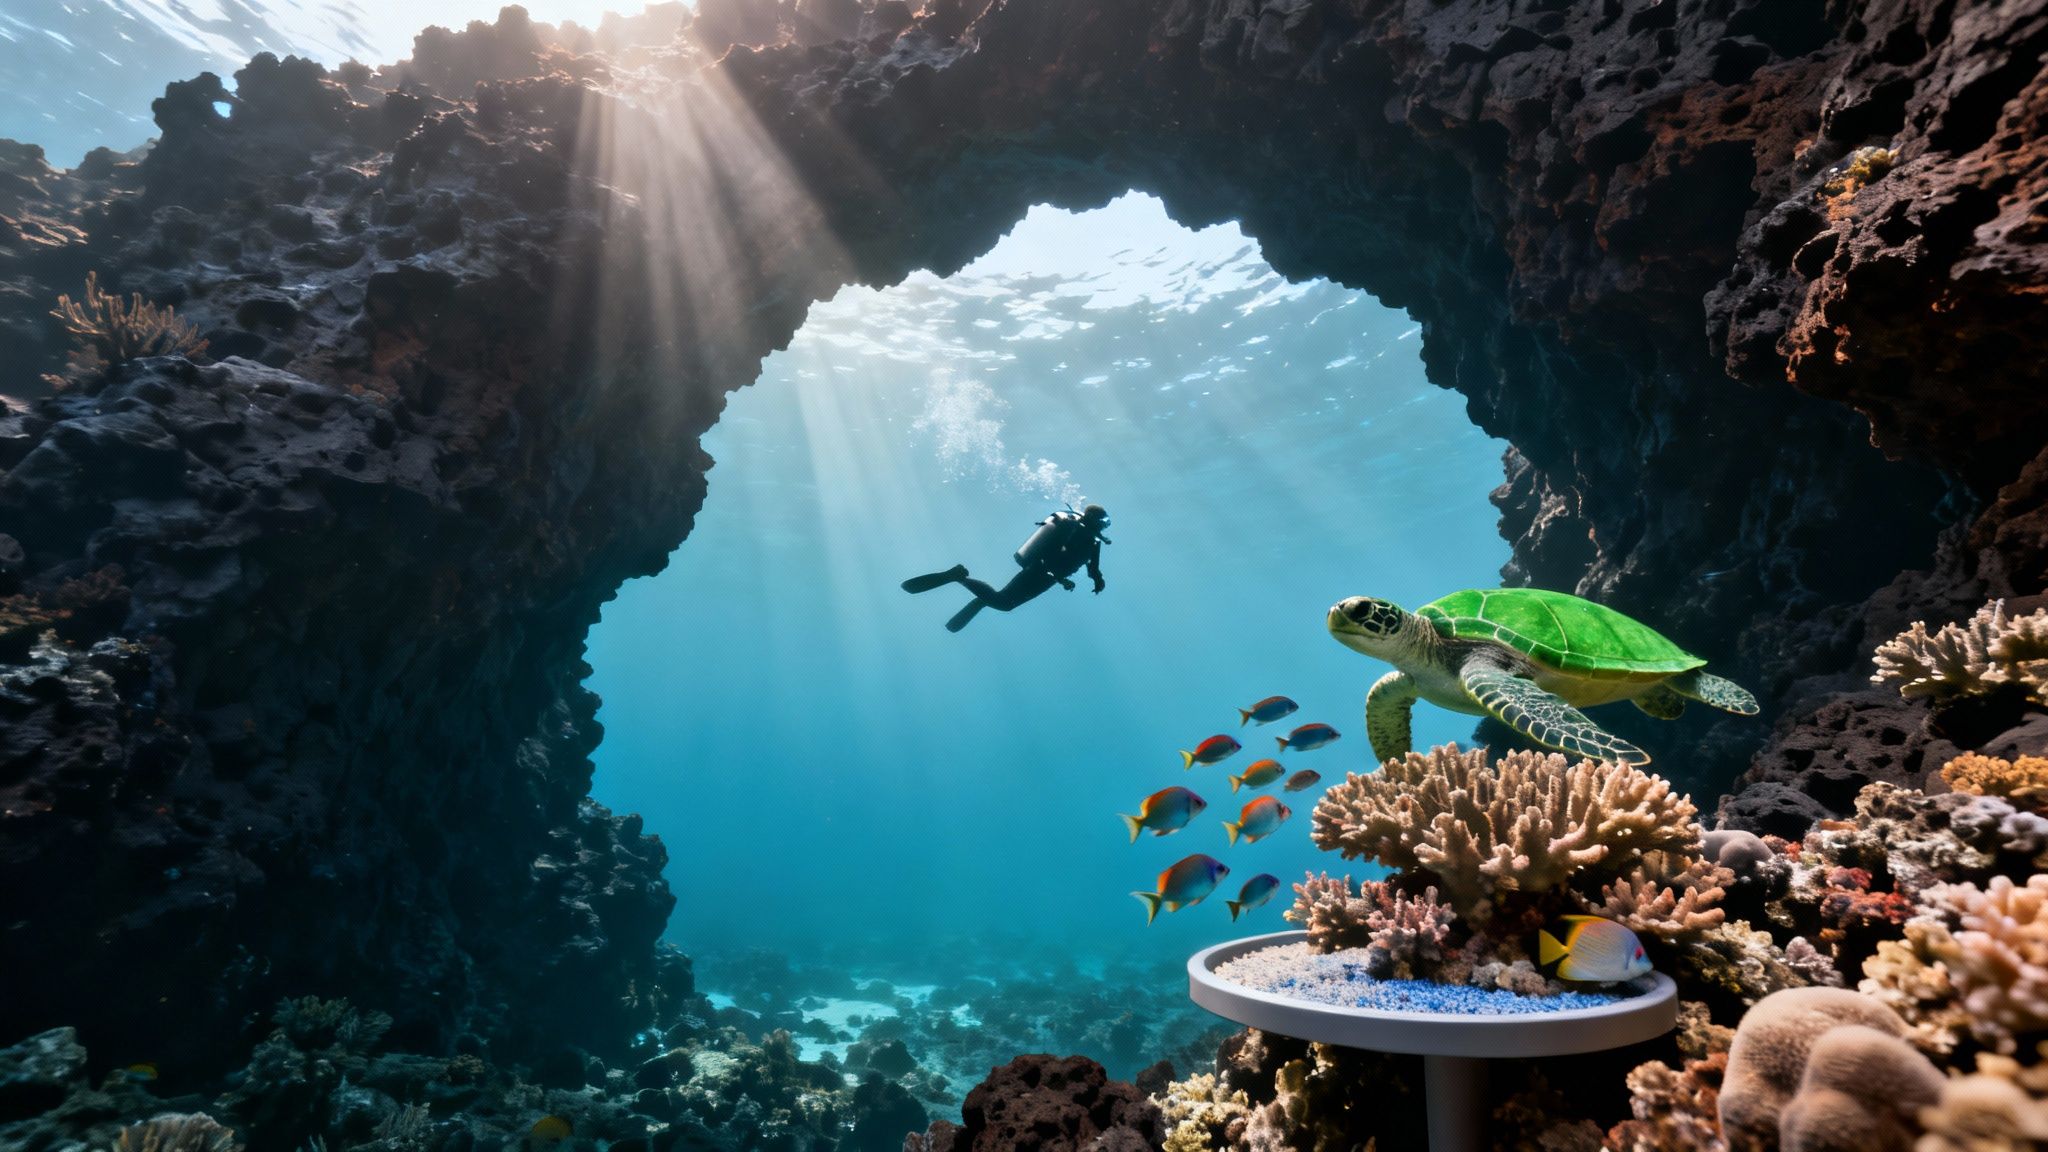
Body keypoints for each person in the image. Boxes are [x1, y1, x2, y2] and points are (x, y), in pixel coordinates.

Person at [902, 504, 1110, 632]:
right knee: (1005, 603)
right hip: (1039, 574)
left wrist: (1097, 580)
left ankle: (981, 597)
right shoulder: (1079, 533)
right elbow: (1054, 554)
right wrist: (1064, 578)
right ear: (1096, 521)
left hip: (1043, 575)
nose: (1104, 527)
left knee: (1003, 600)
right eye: (1103, 523)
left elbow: (1092, 567)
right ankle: (959, 577)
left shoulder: (1089, 539)